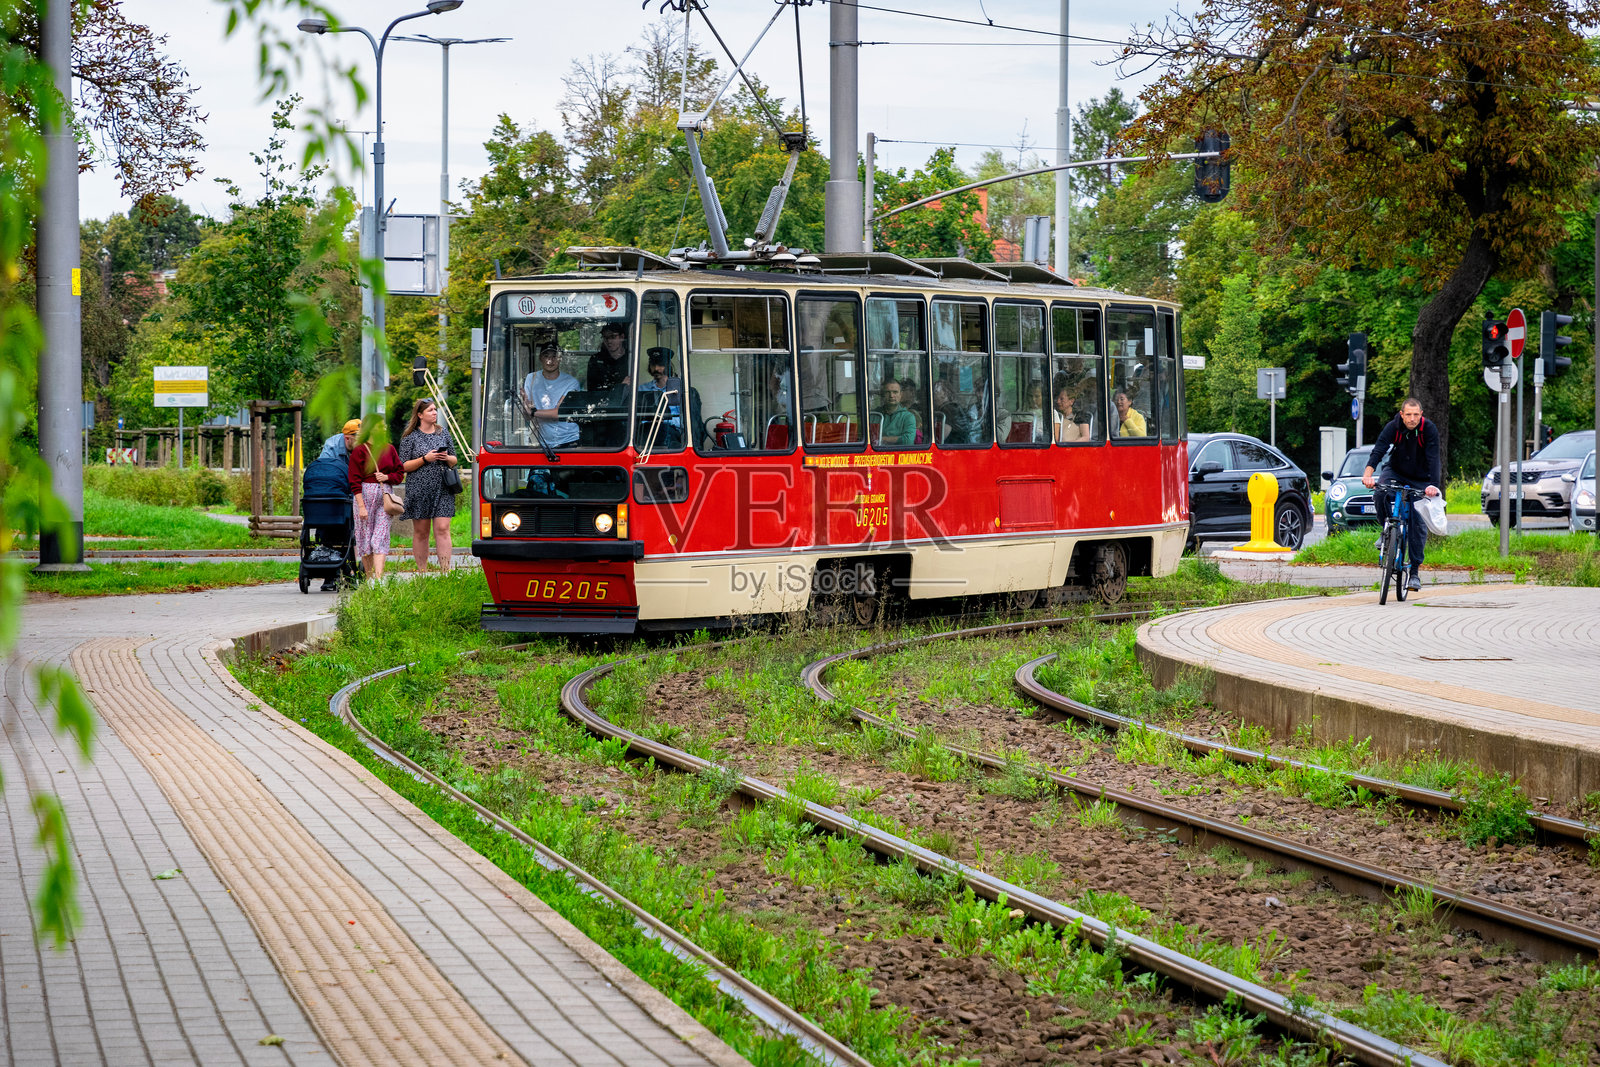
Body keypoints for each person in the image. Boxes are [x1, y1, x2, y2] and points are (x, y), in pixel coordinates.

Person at [1362, 396, 1441, 592]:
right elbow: (1379, 450)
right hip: (1395, 471)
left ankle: (1414, 573)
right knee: (1380, 493)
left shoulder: (1429, 429)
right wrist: (1367, 475)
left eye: (1416, 415)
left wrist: (1433, 485)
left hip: (1421, 477)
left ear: (1421, 414)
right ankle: (1387, 530)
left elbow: (1434, 459)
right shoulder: (1393, 427)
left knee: (1417, 522)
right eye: (1408, 415)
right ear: (1402, 415)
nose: (1412, 419)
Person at [397, 398, 459, 574]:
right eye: (430, 410)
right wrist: (425, 459)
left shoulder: (443, 433)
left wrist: (446, 458)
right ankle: (422, 572)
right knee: (422, 532)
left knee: (443, 528)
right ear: (420, 415)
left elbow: (454, 460)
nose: (434, 412)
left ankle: (446, 572)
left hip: (443, 488)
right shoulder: (410, 437)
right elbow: (403, 466)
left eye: (435, 409)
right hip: (419, 489)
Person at [347, 431, 403, 581]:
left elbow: (399, 473)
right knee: (365, 539)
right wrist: (361, 506)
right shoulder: (359, 450)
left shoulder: (389, 449)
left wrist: (387, 477)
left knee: (379, 538)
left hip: (385, 498)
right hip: (364, 498)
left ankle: (378, 580)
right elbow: (354, 480)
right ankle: (370, 579)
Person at [521, 343, 581, 447]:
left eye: (554, 356)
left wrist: (533, 412)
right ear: (540, 358)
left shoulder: (571, 382)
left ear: (560, 359)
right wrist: (525, 408)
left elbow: (558, 413)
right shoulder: (531, 378)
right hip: (543, 442)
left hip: (568, 439)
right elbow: (527, 416)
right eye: (546, 356)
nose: (550, 360)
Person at [638, 348, 684, 445]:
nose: (656, 369)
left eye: (660, 365)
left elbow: (685, 422)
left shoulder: (679, 390)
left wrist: (665, 420)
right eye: (653, 365)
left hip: (671, 435)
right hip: (644, 434)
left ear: (668, 366)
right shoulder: (642, 389)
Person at [586, 321, 630, 391]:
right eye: (605, 337)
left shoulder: (631, 358)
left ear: (622, 337)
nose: (609, 341)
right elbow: (592, 389)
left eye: (613, 337)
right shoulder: (596, 360)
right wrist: (620, 386)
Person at [877, 379, 918, 447]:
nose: (891, 396)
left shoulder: (908, 417)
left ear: (901, 394)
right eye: (887, 392)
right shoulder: (875, 415)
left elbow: (908, 440)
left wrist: (881, 439)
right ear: (882, 394)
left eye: (895, 392)